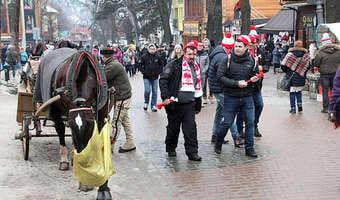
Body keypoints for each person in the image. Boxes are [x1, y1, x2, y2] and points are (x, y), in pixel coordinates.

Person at [214, 35, 260, 158]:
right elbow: (220, 77)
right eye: (236, 46)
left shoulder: (252, 61)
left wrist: (255, 79)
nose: (237, 49)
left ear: (246, 48)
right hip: (231, 97)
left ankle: (249, 148)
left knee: (250, 122)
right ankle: (218, 142)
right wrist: (236, 83)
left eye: (240, 46)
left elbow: (256, 76)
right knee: (227, 122)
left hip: (247, 97)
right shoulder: (227, 60)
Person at [159, 40, 203, 161]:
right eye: (189, 54)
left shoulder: (196, 67)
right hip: (175, 103)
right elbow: (163, 80)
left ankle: (192, 152)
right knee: (173, 128)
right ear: (184, 53)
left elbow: (198, 86)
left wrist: (198, 104)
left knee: (190, 129)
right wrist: (165, 97)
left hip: (190, 104)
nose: (192, 57)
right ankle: (171, 148)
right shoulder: (174, 65)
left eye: (194, 55)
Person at [208, 32, 242, 146]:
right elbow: (222, 75)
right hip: (220, 89)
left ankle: (215, 135)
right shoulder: (222, 56)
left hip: (217, 88)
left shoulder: (219, 53)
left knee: (219, 112)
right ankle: (236, 137)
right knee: (229, 113)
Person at [101, 47, 136, 153]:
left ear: (103, 57)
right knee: (125, 121)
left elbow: (101, 79)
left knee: (116, 122)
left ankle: (110, 146)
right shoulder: (113, 63)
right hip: (124, 95)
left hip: (122, 97)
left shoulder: (112, 66)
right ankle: (130, 143)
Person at [237, 26, 265, 138]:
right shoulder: (245, 53)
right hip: (246, 84)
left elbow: (267, 63)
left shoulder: (261, 51)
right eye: (251, 43)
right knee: (242, 108)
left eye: (255, 43)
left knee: (259, 105)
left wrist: (263, 67)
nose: (253, 45)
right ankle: (240, 129)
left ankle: (254, 124)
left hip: (257, 85)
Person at [281, 40, 311, 113]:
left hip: (291, 76)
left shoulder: (290, 54)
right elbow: (308, 66)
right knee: (298, 92)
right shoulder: (306, 55)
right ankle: (300, 107)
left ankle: (293, 108)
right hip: (301, 76)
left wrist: (288, 71)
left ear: (294, 45)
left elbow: (283, 65)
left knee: (292, 93)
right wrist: (302, 72)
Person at [314, 33, 340, 113]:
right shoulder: (338, 52)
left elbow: (316, 63)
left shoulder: (320, 52)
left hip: (324, 74)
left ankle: (326, 108)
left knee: (325, 90)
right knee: (334, 90)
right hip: (335, 73)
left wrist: (319, 67)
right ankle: (334, 107)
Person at [138, 44, 164, 112]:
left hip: (155, 77)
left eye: (153, 49)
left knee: (155, 91)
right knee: (147, 91)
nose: (152, 50)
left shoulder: (158, 56)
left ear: (155, 49)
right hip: (146, 77)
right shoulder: (144, 56)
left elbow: (161, 65)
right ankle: (146, 102)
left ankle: (153, 105)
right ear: (148, 49)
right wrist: (144, 72)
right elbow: (140, 65)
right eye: (150, 49)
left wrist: (158, 72)